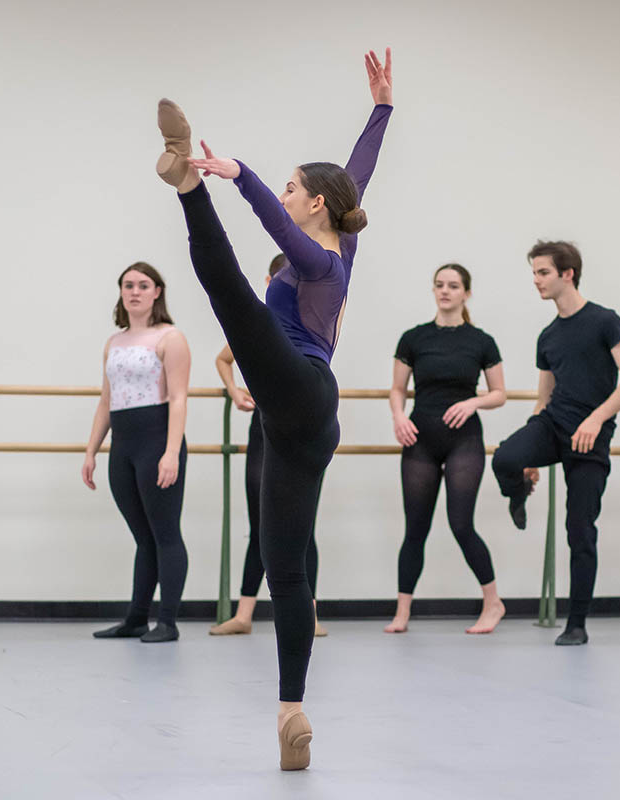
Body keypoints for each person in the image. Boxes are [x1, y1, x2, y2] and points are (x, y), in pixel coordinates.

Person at [155, 47, 393, 770]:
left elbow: (280, 230)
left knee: (230, 294)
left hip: (303, 388)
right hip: (297, 421)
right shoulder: (340, 247)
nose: (287, 193)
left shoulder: (321, 259)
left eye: (293, 186)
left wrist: (236, 175)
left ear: (314, 203)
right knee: (285, 567)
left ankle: (182, 182)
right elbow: (360, 171)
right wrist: (382, 109)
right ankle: (292, 712)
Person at [490, 241, 620, 646]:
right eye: (535, 273)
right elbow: (544, 397)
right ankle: (518, 492)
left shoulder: (605, 321)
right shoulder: (548, 335)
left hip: (590, 437)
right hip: (554, 424)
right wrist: (531, 452)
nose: (536, 281)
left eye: (543, 273)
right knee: (505, 457)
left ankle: (577, 623)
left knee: (580, 530)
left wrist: (597, 418)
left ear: (567, 274)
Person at [386, 264, 507, 635]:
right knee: (415, 530)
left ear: (466, 293)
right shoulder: (414, 338)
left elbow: (499, 393)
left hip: (464, 440)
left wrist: (473, 403)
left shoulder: (481, 341)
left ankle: (493, 603)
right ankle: (402, 612)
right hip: (420, 439)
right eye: (439, 285)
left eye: (453, 286)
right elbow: (397, 389)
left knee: (460, 524)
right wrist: (398, 417)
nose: (445, 291)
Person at [210, 254, 326, 638]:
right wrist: (234, 391)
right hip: (265, 427)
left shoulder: (310, 320)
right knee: (261, 523)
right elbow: (223, 359)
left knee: (302, 526)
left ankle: (310, 613)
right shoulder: (260, 322)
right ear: (269, 281)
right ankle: (244, 613)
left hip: (304, 428)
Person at [81, 263, 191, 643]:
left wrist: (171, 452)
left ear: (157, 292)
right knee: (142, 537)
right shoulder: (114, 342)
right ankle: (136, 618)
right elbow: (106, 400)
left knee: (165, 534)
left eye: (143, 285)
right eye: (128, 285)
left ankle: (169, 621)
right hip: (123, 445)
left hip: (157, 441)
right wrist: (92, 451)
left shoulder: (170, 337)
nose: (135, 292)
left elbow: (178, 399)